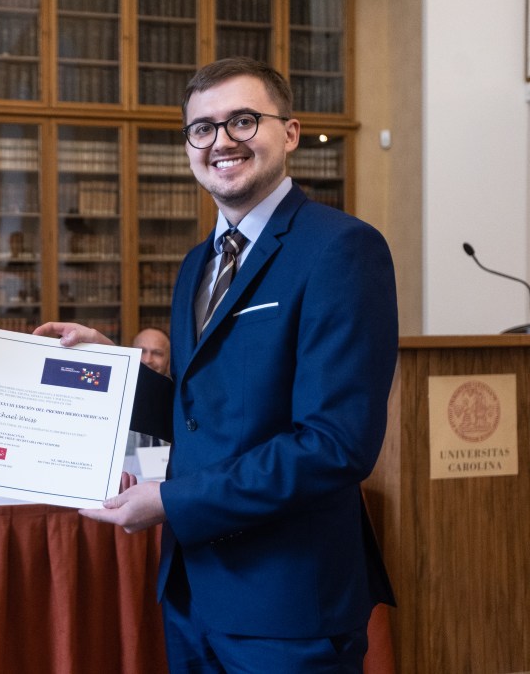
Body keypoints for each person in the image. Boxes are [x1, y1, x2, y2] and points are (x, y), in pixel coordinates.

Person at [36, 57, 397, 672]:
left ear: (290, 132)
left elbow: (335, 446)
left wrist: (173, 502)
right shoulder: (196, 263)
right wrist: (112, 369)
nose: (222, 141)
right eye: (202, 128)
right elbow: (201, 411)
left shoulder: (341, 249)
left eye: (243, 121)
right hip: (192, 594)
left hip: (287, 605)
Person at [125, 327, 171, 454]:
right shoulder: (114, 396)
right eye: (141, 351)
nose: (147, 360)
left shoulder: (179, 402)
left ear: (168, 361)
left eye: (157, 353)